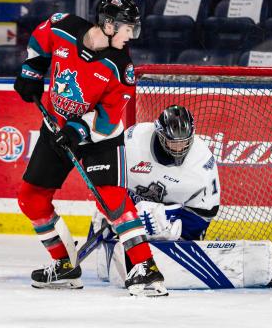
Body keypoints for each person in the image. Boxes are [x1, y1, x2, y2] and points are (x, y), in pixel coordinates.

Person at [13, 0, 168, 297]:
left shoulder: (120, 66)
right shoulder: (63, 26)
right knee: (30, 198)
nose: (130, 35)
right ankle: (64, 266)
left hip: (99, 140)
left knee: (111, 198)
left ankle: (145, 268)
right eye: (126, 28)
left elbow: (108, 121)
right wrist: (31, 71)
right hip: (54, 128)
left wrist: (75, 130)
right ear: (108, 24)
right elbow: (40, 40)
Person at [91, 105, 220, 273]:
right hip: (133, 205)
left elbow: (207, 211)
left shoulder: (202, 161)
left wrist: (171, 221)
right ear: (160, 134)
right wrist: (116, 213)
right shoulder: (134, 140)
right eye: (173, 143)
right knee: (107, 222)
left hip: (177, 218)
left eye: (184, 142)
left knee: (171, 235)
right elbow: (110, 178)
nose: (179, 148)